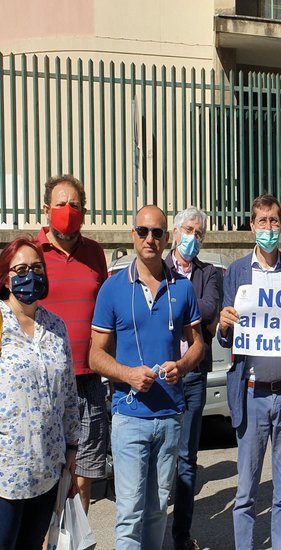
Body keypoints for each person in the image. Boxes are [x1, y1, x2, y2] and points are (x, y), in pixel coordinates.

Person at [90, 205, 204, 550]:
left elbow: (198, 345)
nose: (150, 239)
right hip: (129, 417)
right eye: (143, 231)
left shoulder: (182, 289)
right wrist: (126, 374)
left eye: (157, 232)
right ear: (133, 236)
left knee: (157, 512)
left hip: (169, 417)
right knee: (129, 516)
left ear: (167, 237)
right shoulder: (112, 288)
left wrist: (181, 366)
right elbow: (95, 355)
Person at [218, 195, 281, 550]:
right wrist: (224, 324)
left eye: (274, 221)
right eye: (262, 221)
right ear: (252, 227)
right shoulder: (236, 272)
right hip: (252, 392)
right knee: (245, 490)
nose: (269, 228)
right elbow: (224, 334)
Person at [0, 237, 80, 550]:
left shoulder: (56, 327)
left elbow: (69, 396)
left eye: (36, 268)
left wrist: (72, 449)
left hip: (48, 469)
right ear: (6, 278)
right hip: (6, 476)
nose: (29, 275)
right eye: (20, 269)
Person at [35, 175, 108, 513]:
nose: (68, 211)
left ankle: (75, 541)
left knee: (84, 475)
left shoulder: (95, 253)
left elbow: (106, 314)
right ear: (46, 209)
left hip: (88, 381)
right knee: (45, 476)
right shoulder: (29, 255)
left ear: (85, 211)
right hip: (45, 384)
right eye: (60, 204)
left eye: (75, 205)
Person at [166, 207, 223, 550]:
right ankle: (155, 530)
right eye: (188, 230)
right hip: (163, 376)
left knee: (187, 459)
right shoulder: (158, 268)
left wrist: (176, 306)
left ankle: (181, 536)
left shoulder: (210, 273)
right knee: (161, 458)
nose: (192, 238)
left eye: (199, 234)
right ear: (174, 232)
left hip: (194, 376)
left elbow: (208, 309)